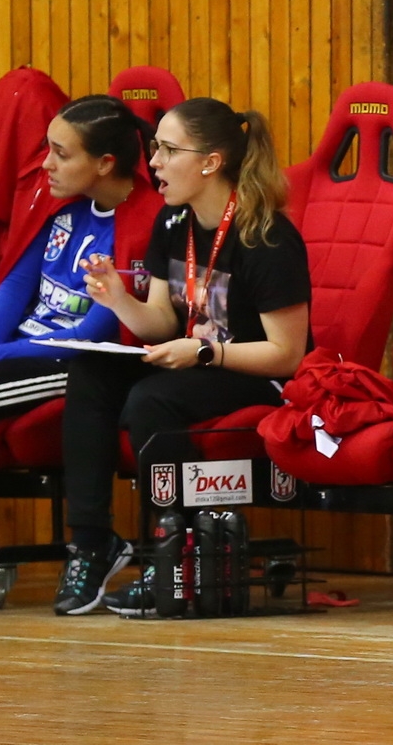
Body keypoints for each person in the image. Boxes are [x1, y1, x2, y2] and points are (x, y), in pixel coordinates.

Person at [53, 99, 313, 616]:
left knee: (153, 400)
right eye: (155, 149)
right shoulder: (174, 222)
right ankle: (91, 542)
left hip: (257, 373)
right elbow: (160, 321)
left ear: (211, 162)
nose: (153, 162)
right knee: (91, 373)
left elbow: (287, 355)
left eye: (169, 151)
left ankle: (172, 553)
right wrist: (117, 299)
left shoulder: (266, 236)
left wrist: (204, 351)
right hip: (198, 356)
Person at [0, 96, 161, 425]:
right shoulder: (62, 200)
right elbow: (16, 284)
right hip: (19, 347)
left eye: (61, 155)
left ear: (104, 163)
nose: (46, 165)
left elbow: (88, 336)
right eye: (47, 149)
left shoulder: (144, 226)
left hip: (70, 360)